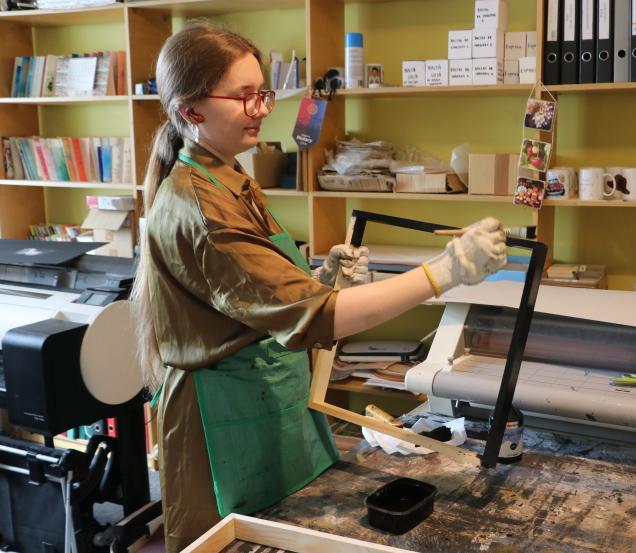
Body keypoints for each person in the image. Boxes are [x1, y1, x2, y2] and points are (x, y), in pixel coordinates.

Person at [130, 22, 507, 552]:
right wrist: (443, 273)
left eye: (263, 93)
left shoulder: (230, 179)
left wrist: (318, 279)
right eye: (244, 97)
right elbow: (318, 317)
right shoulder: (201, 206)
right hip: (225, 419)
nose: (262, 109)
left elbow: (252, 295)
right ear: (191, 110)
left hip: (269, 398)